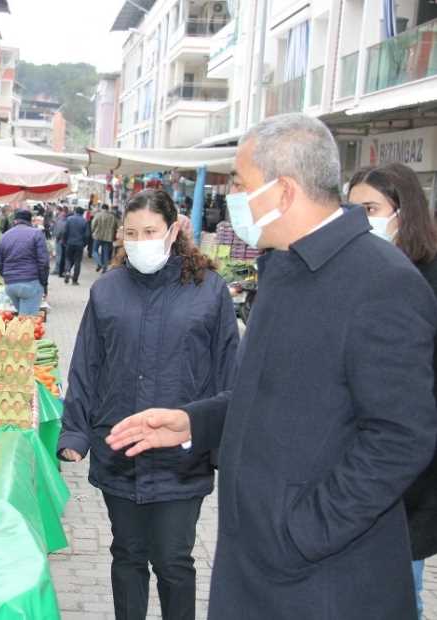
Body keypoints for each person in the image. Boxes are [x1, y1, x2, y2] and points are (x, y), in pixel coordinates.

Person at [106, 114, 437, 619]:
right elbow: (272, 391)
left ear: (282, 191)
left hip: (324, 580)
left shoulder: (381, 281)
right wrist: (195, 422)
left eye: (242, 184)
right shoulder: (286, 267)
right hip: (259, 561)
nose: (234, 196)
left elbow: (400, 436)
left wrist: (303, 530)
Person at [59, 189, 238, 620]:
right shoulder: (107, 291)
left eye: (151, 231)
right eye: (132, 232)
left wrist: (220, 443)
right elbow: (86, 366)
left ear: (173, 230)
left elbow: (228, 373)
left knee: (174, 561)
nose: (141, 240)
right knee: (127, 555)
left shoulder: (209, 291)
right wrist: (75, 434)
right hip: (118, 447)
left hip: (181, 457)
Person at [348, 162, 437, 620]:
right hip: (349, 468)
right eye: (352, 209)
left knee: (402, 593)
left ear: (403, 212)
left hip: (410, 475)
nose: (360, 219)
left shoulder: (427, 278)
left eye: (371, 208)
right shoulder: (351, 273)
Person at [0, 209, 49, 316]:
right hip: (31, 283)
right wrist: (43, 283)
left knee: (22, 320)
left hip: (11, 286)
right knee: (26, 324)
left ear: (15, 221)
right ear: (30, 221)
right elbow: (44, 263)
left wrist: (9, 276)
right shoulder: (37, 234)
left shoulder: (4, 236)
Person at [61, 206, 89, 285]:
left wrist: (64, 241)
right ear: (82, 213)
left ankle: (67, 271)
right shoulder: (84, 221)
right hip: (79, 244)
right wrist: (84, 244)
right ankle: (75, 280)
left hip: (69, 243)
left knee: (68, 259)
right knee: (77, 261)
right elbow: (87, 235)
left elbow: (65, 231)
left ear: (75, 211)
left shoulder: (69, 219)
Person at [91, 204, 119, 273]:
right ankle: (105, 268)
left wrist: (93, 231)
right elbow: (116, 226)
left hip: (97, 236)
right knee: (105, 253)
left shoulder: (98, 215)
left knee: (94, 251)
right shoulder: (112, 217)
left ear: (102, 208)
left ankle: (100, 263)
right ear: (108, 208)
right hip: (108, 237)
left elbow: (93, 224)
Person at [51, 207, 68, 276]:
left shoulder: (60, 221)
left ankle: (57, 269)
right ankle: (63, 269)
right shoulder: (66, 220)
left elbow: (58, 231)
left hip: (60, 240)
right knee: (62, 256)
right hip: (64, 240)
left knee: (59, 255)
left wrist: (56, 236)